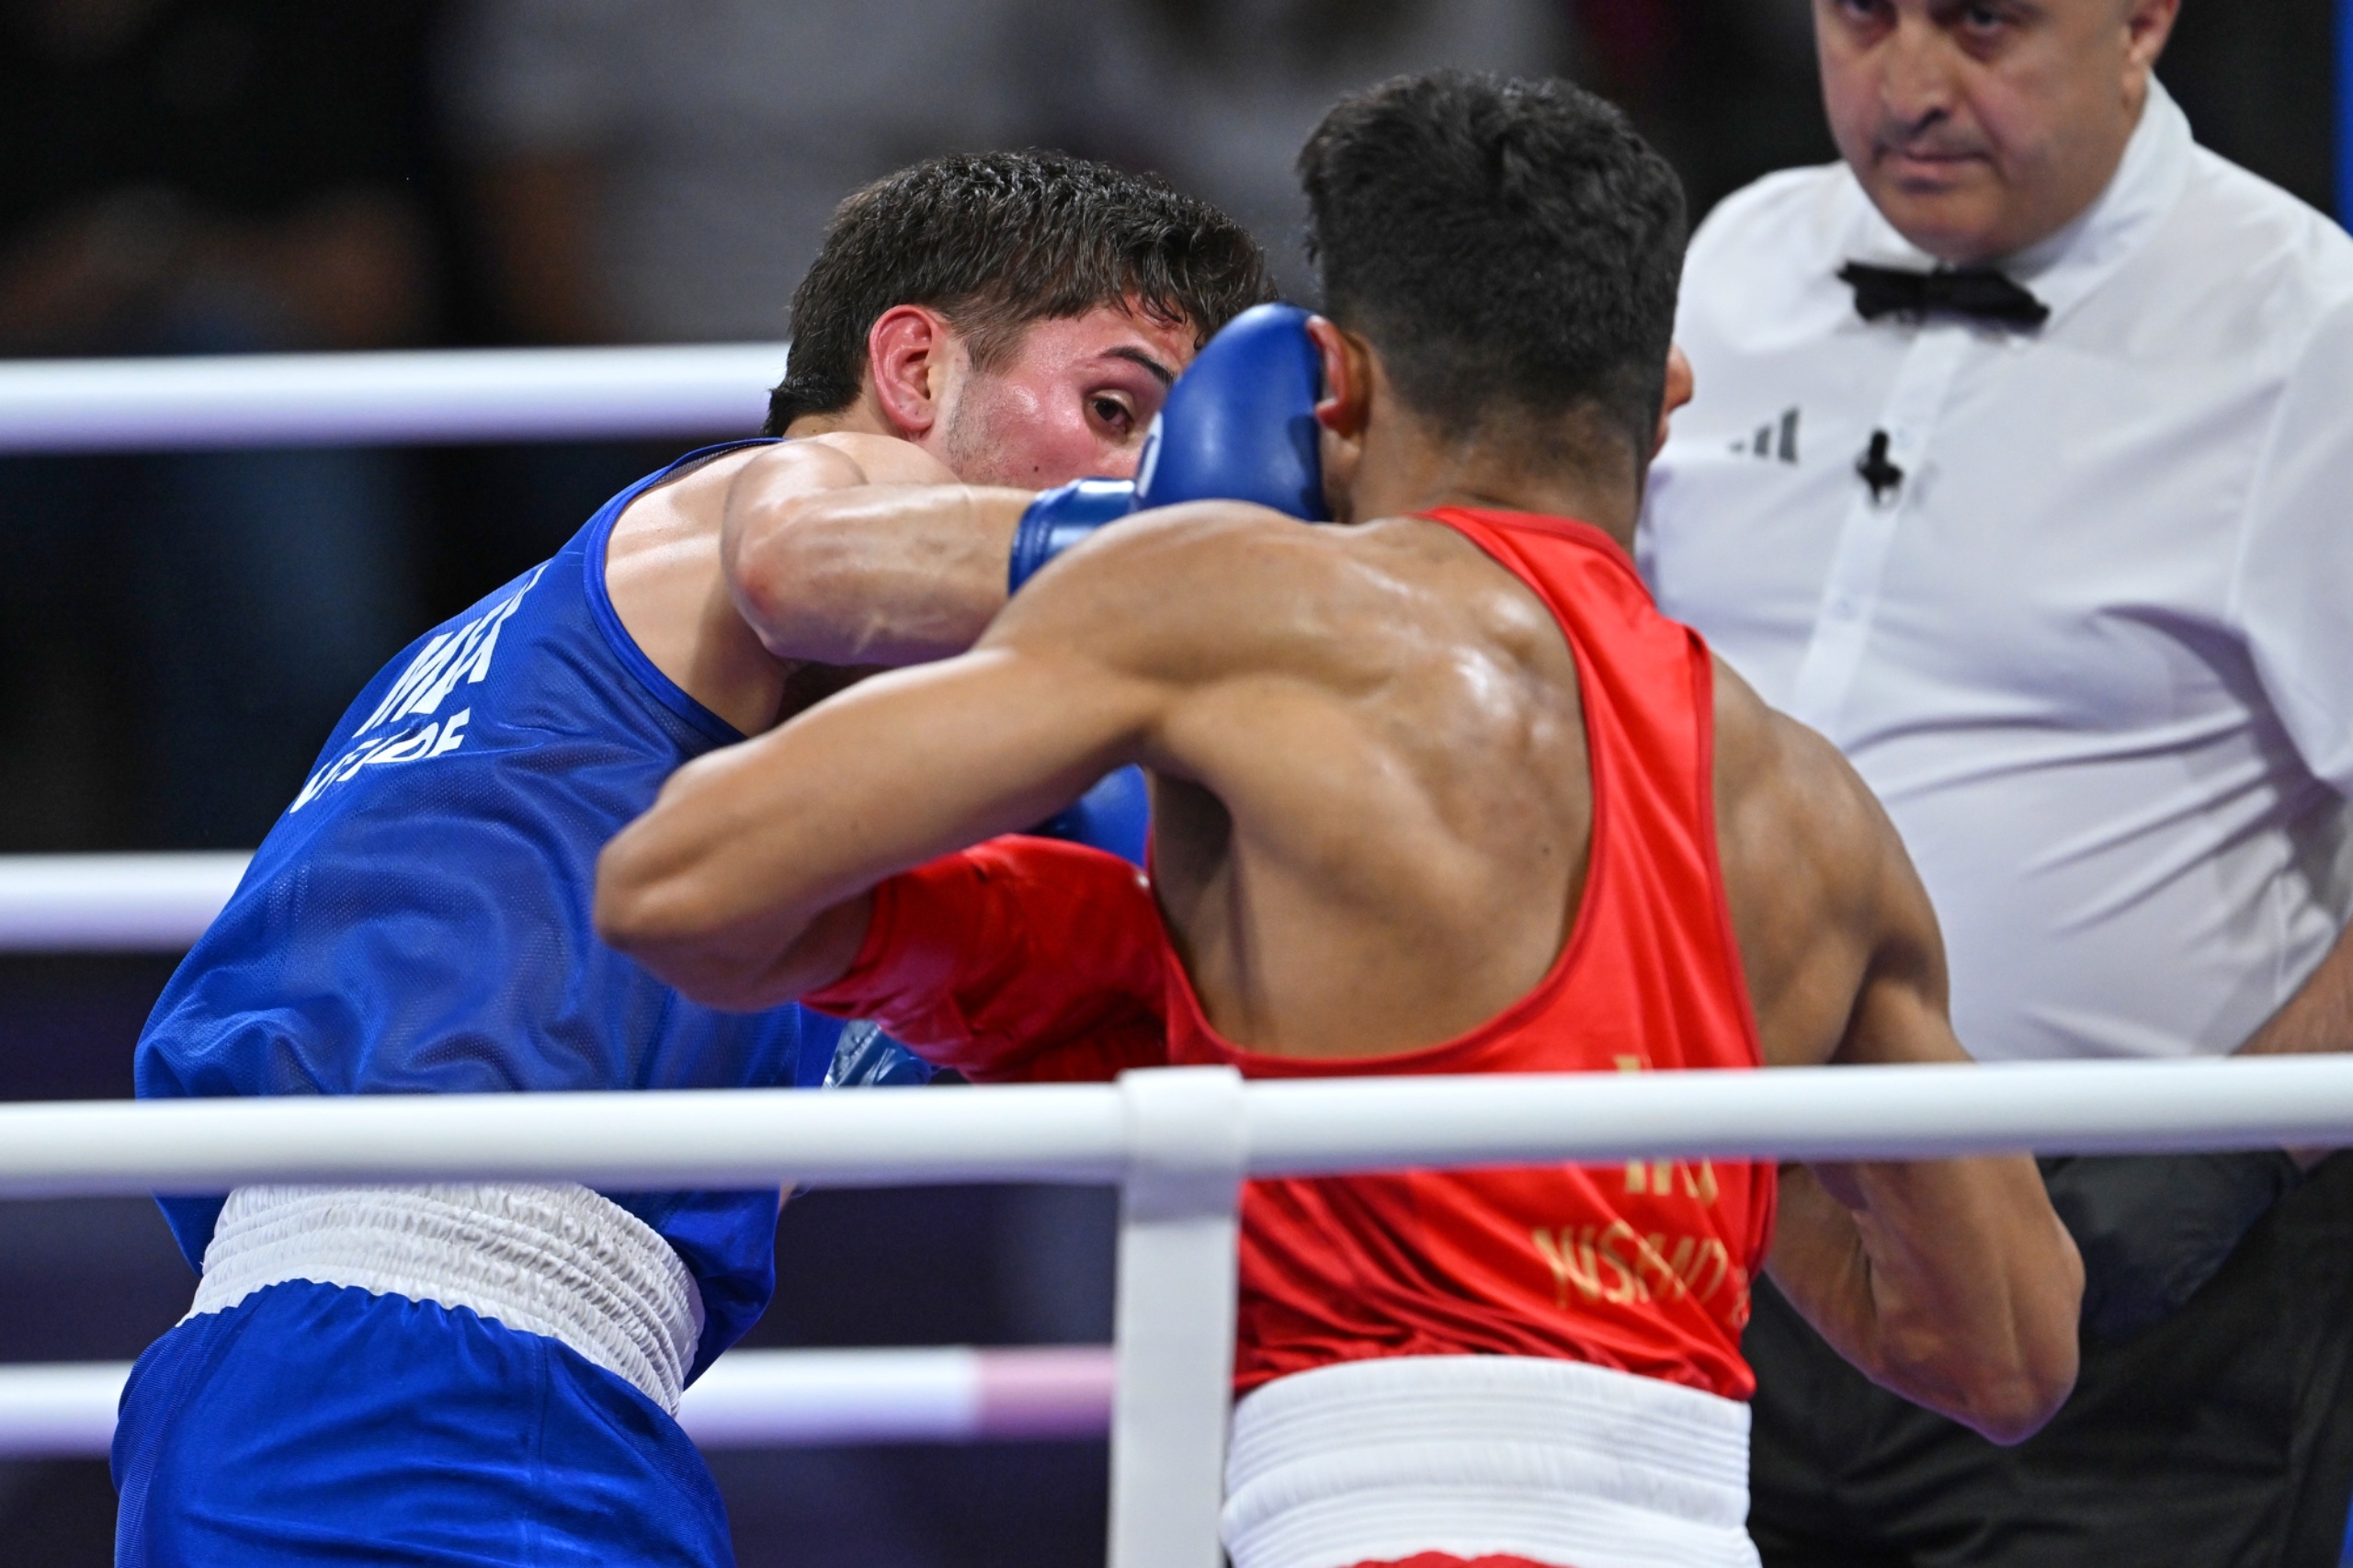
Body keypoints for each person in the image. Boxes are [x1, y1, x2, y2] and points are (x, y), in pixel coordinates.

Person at [598, 72, 2084, 1568]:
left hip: (1371, 1526)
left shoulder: (1234, 605)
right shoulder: (1823, 810)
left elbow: (679, 880)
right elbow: (2007, 1356)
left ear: (1338, 387)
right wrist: (1671, 1150)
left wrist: (1045, 956)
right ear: (1668, 393)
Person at [116, 151, 1270, 1565]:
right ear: (912, 368)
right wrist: (1245, 574)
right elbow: (812, 558)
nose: (1142, 487)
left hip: (456, 1398)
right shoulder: (771, 498)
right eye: (1112, 411)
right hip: (425, 1389)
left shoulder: (798, 749)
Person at [1635, 3, 2353, 1564]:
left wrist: (2239, 1141)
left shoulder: (2312, 331)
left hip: (2129, 1299)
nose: (1908, 89)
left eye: (1980, 26)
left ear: (2143, 19)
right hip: (1713, 1236)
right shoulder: (1732, 266)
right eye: (1863, 17)